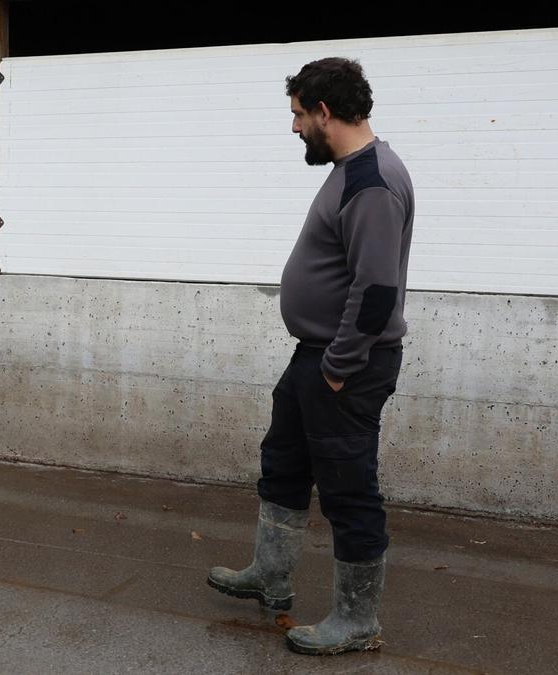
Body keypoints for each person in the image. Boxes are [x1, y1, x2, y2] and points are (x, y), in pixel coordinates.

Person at [206, 57, 414, 656]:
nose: (294, 127)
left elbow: (375, 295)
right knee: (285, 463)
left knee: (349, 489)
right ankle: (269, 574)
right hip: (317, 356)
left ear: (325, 111)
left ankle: (357, 621)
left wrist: (336, 370)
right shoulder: (352, 170)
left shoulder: (372, 182)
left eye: (299, 114)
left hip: (345, 366)